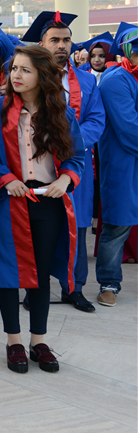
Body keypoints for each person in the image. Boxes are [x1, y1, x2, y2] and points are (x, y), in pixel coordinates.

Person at [0, 45, 84, 373]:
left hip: (48, 202)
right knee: (9, 273)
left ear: (42, 76)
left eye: (25, 70)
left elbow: (77, 156)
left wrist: (66, 179)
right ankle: (13, 341)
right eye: (14, 68)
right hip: (10, 201)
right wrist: (5, 178)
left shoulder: (60, 113)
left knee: (40, 275)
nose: (16, 75)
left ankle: (38, 341)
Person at [24, 12, 105, 313]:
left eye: (66, 40)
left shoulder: (86, 80)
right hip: (39, 166)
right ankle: (35, 289)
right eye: (55, 40)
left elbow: (96, 119)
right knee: (38, 231)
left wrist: (71, 141)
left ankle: (74, 288)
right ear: (42, 44)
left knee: (77, 227)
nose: (62, 45)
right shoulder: (28, 78)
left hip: (73, 165)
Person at [94, 23, 138, 307]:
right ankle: (109, 282)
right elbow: (128, 127)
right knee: (117, 224)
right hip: (124, 163)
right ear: (127, 50)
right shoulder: (115, 80)